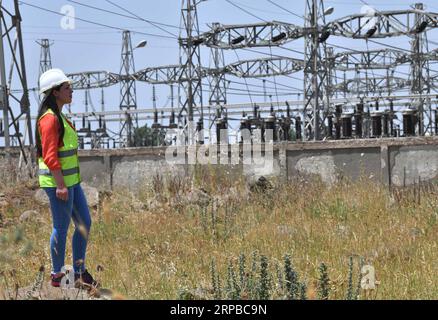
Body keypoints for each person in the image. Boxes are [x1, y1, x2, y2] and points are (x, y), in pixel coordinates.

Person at [35, 68, 98, 289]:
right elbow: (50, 156)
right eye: (66, 87)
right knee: (61, 227)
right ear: (55, 92)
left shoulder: (59, 116)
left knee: (84, 223)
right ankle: (57, 274)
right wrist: (60, 185)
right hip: (58, 184)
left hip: (71, 182)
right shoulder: (50, 120)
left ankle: (79, 271)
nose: (71, 91)